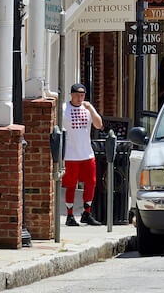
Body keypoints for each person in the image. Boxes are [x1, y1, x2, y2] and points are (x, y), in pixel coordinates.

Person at [59, 83, 102, 226]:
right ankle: (70, 216)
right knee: (71, 185)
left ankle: (87, 213)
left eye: (82, 95)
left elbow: (99, 124)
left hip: (87, 152)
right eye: (77, 95)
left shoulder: (87, 108)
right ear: (71, 94)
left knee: (91, 182)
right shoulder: (64, 109)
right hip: (70, 154)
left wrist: (91, 108)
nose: (79, 98)